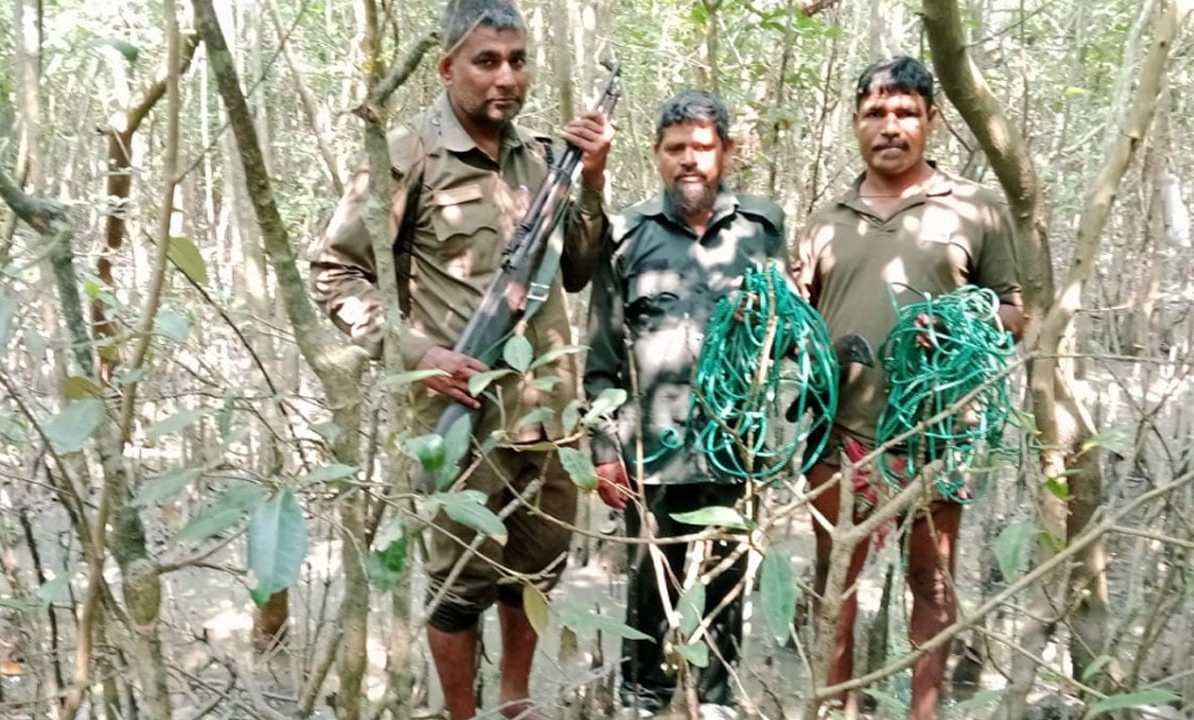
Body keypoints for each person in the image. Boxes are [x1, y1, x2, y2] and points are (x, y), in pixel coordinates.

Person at [308, 0, 613, 717]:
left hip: (548, 421)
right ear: (447, 67)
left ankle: (513, 703)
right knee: (457, 589)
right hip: (461, 421)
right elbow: (335, 272)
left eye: (517, 60)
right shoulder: (407, 153)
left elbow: (577, 269)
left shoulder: (542, 158)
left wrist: (593, 181)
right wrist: (419, 353)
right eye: (486, 61)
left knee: (532, 572)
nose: (506, 77)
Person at [792, 56, 1023, 720]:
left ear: (932, 121)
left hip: (935, 436)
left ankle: (923, 713)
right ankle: (837, 707)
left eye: (905, 113)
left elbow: (1014, 310)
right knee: (835, 580)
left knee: (931, 582)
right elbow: (801, 319)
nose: (890, 127)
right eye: (875, 113)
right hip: (838, 438)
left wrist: (962, 325)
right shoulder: (824, 217)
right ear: (856, 123)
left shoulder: (975, 206)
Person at [584, 90, 786, 718]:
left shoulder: (763, 229)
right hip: (653, 452)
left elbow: (784, 332)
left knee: (727, 582)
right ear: (657, 156)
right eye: (676, 149)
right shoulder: (627, 234)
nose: (689, 161)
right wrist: (604, 447)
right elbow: (601, 353)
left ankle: (719, 701)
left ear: (724, 153)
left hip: (736, 446)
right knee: (651, 584)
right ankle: (644, 700)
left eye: (702, 147)